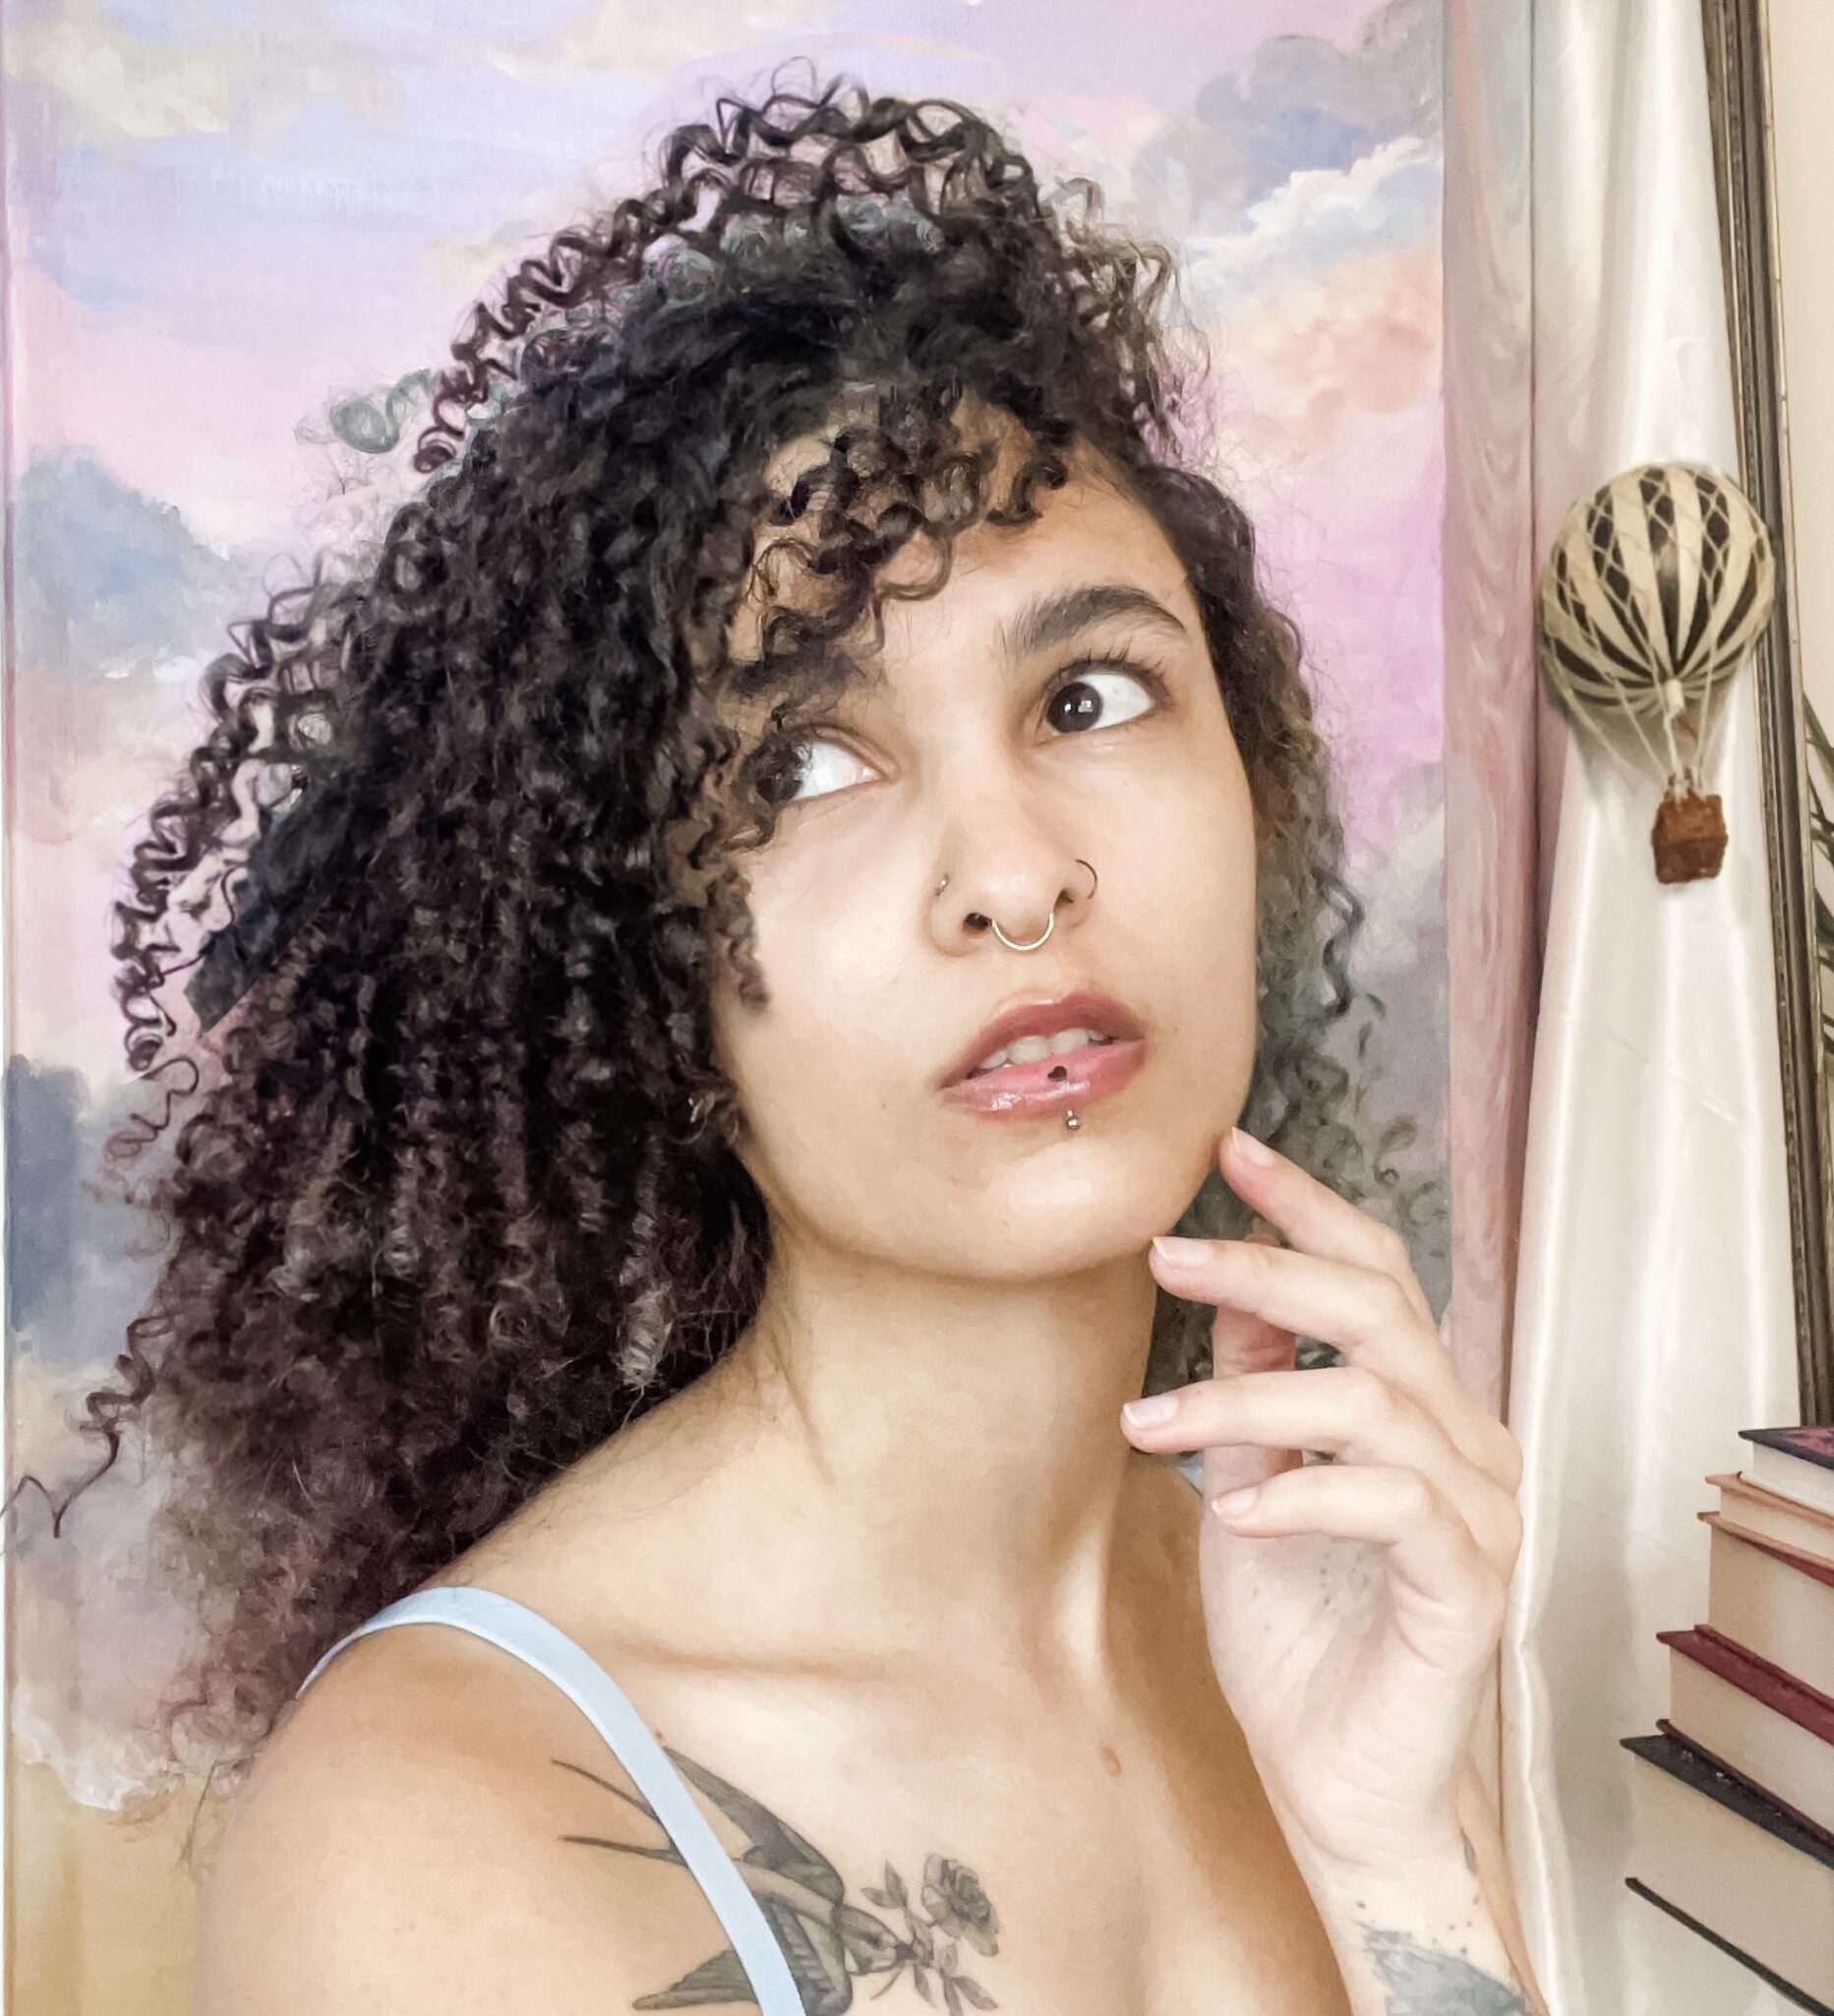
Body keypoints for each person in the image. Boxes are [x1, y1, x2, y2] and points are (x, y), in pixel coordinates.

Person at [57, 73, 1542, 2015]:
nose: (1013, 872)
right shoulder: (439, 1830)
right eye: (805, 764)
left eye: (1090, 694)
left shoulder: (1310, 1618)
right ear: (645, 977)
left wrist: (1392, 1848)